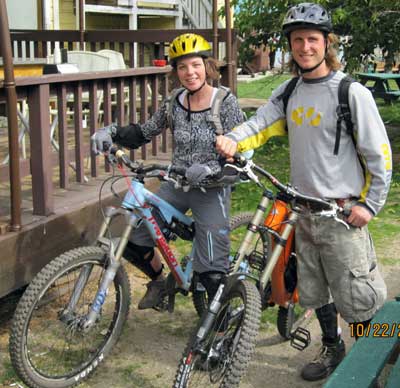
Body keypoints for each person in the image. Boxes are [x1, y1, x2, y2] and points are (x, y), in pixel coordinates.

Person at [216, 3, 392, 382]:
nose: (305, 47)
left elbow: (379, 154)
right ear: (290, 44)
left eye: (313, 39)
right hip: (303, 213)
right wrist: (232, 138)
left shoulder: (350, 92)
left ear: (326, 43)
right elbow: (261, 123)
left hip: (342, 216)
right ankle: (333, 347)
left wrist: (370, 205)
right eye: (298, 40)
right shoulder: (290, 90)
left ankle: (376, 355)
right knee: (315, 292)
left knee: (358, 298)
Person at [91, 33, 244, 311]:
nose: (190, 72)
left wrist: (211, 169)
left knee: (211, 269)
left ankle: (220, 325)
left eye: (195, 65)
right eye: (182, 67)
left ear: (207, 66)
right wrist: (112, 131)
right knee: (136, 240)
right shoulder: (174, 101)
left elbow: (241, 149)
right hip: (176, 184)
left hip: (212, 187)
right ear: (176, 72)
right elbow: (145, 131)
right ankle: (161, 282)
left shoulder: (225, 102)